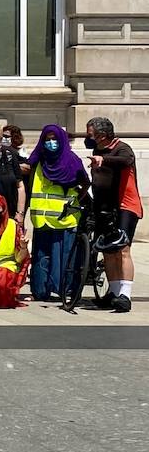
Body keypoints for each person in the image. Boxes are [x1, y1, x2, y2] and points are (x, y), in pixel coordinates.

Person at [24, 125, 87, 302]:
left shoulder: (72, 160)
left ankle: (65, 290)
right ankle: (41, 291)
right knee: (41, 257)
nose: (51, 143)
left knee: (65, 257)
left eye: (54, 139)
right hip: (42, 219)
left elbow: (85, 184)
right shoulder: (38, 160)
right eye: (47, 139)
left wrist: (75, 199)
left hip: (65, 218)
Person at [85, 117, 139, 312]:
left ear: (102, 134)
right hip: (104, 206)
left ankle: (125, 294)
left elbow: (127, 161)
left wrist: (104, 159)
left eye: (90, 133)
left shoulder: (122, 148)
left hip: (125, 205)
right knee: (108, 250)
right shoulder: (97, 150)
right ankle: (113, 292)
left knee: (122, 248)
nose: (88, 137)